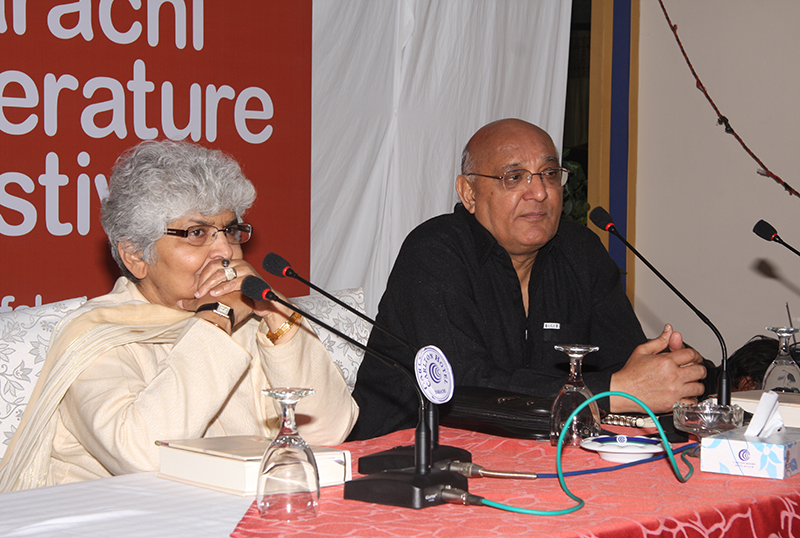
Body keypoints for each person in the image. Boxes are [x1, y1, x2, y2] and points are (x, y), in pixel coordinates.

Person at [0, 140, 358, 492]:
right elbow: (144, 457)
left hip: (238, 511)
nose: (225, 251)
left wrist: (278, 317)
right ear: (136, 256)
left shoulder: (250, 314)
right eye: (197, 233)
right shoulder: (98, 336)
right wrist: (216, 319)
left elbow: (328, 433)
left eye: (230, 231)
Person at [348, 118, 705, 440]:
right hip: (407, 454)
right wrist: (611, 391)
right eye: (514, 177)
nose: (540, 192)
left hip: (542, 451)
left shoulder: (579, 251)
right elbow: (461, 384)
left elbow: (623, 365)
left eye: (549, 174)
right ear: (469, 193)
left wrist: (670, 376)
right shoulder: (435, 252)